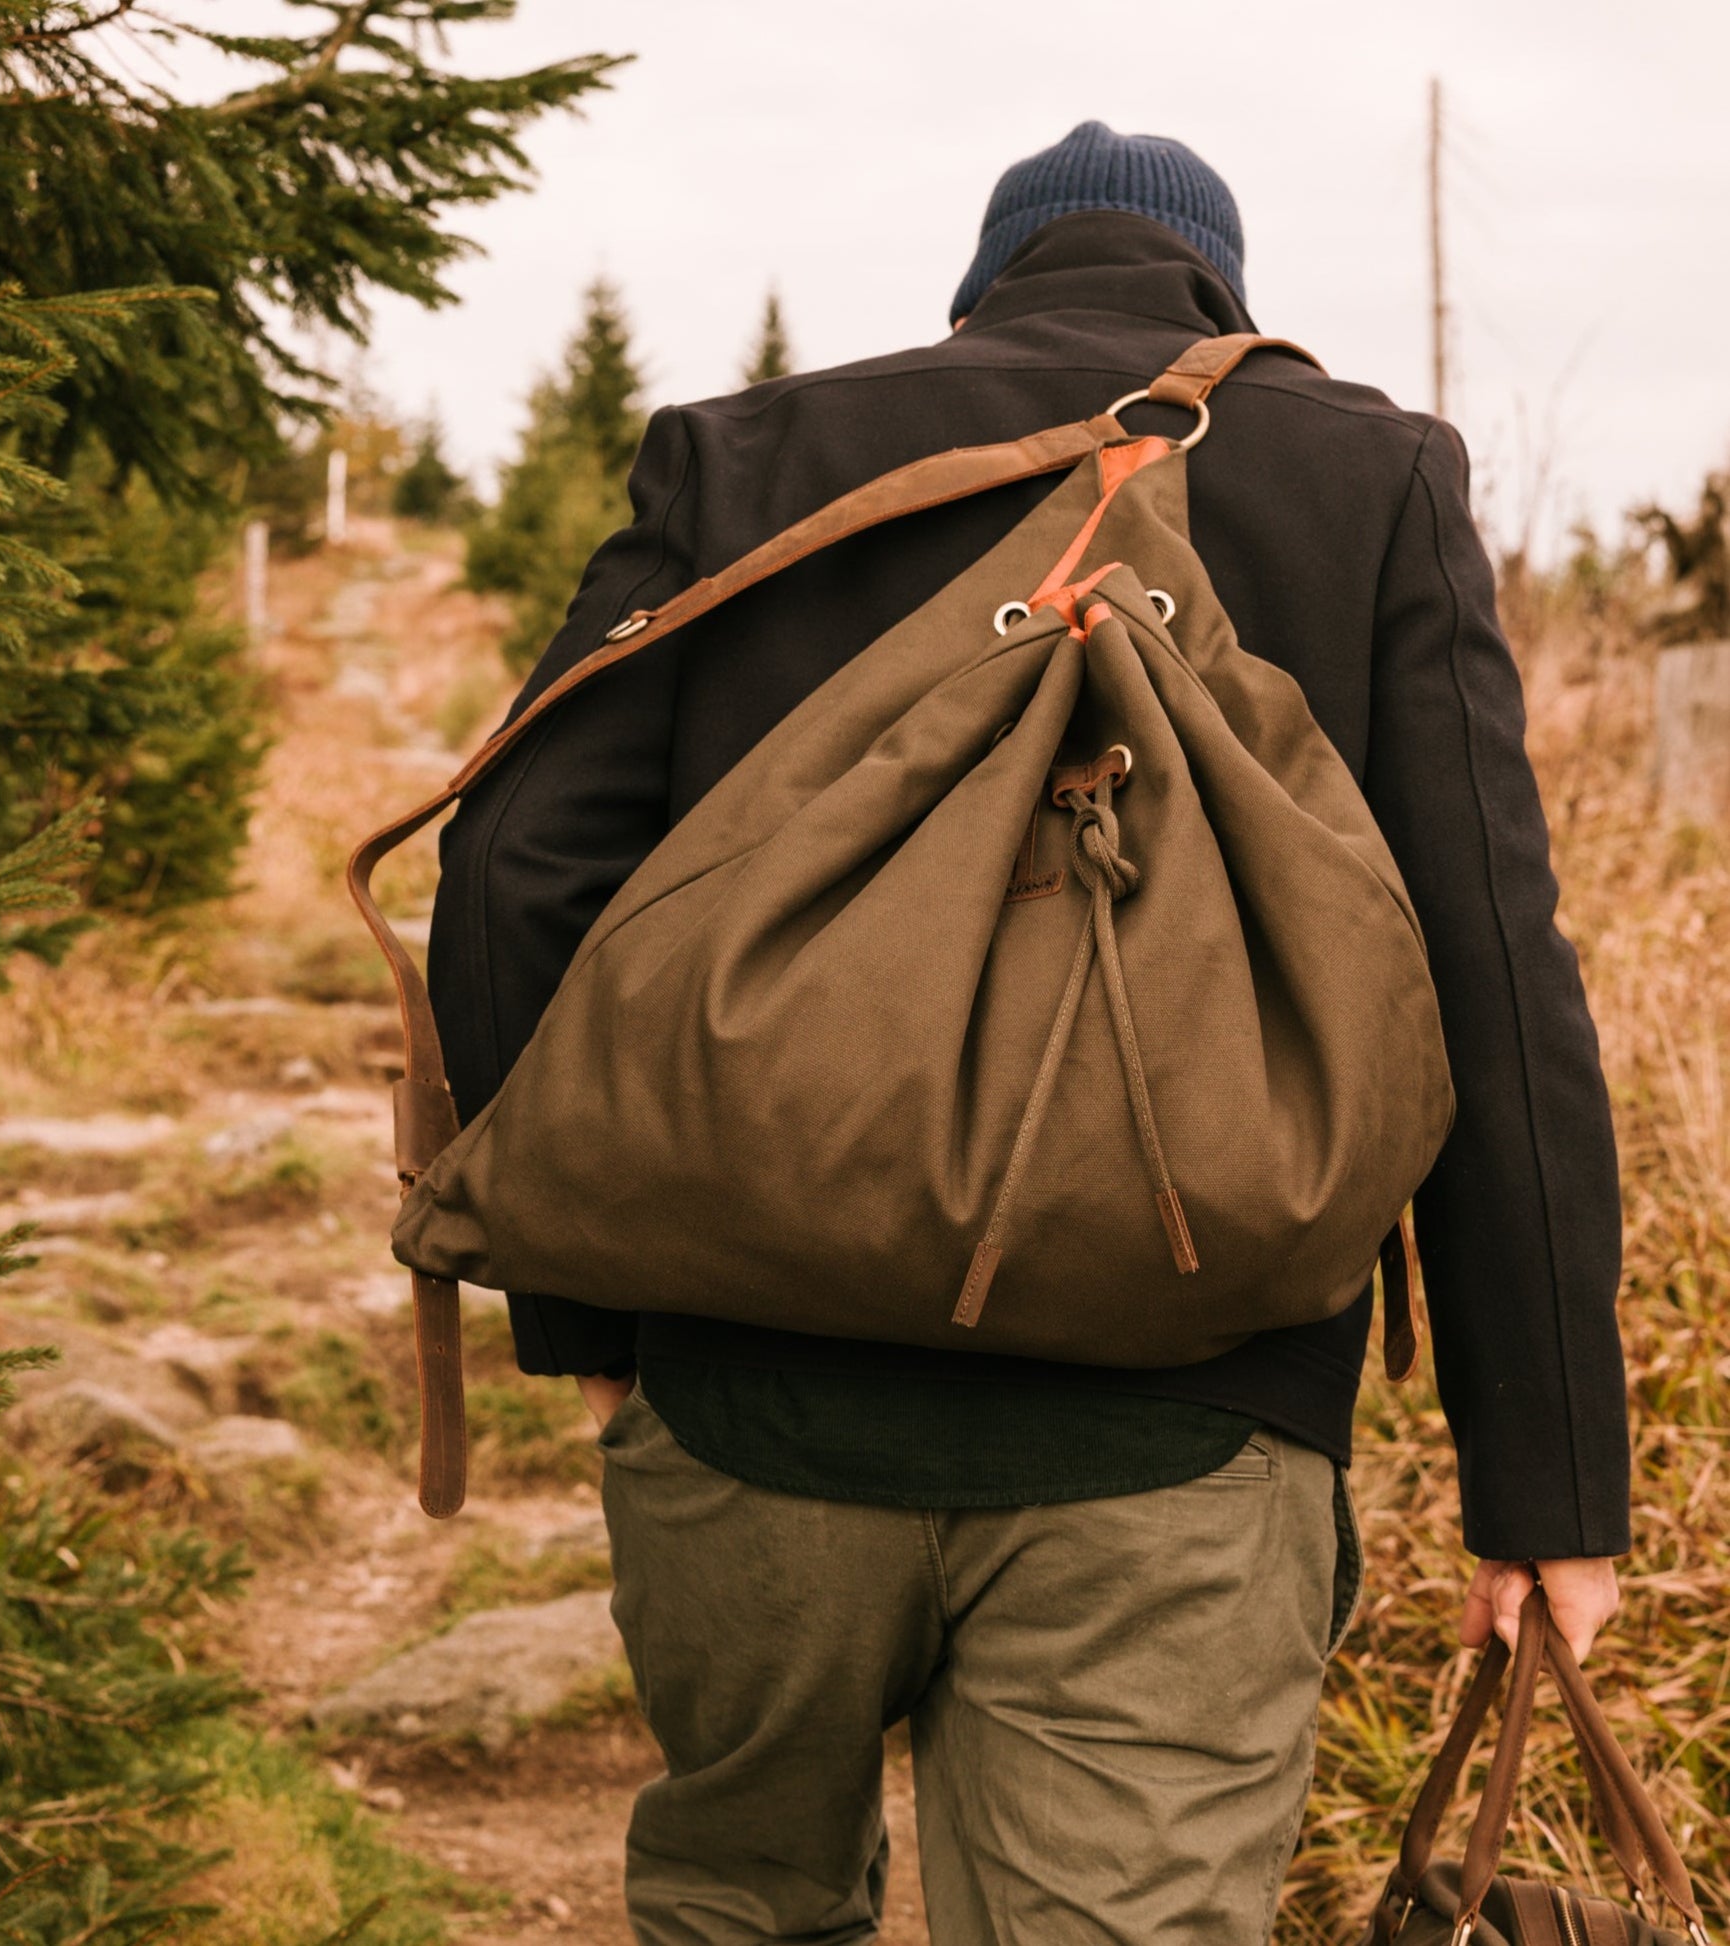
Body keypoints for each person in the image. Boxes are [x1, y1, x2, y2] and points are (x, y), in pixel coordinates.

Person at [426, 121, 1630, 1946]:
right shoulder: (1367, 475)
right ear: (1224, 296)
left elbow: (513, 863)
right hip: (1188, 1439)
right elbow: (1491, 986)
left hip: (749, 1402)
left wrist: (599, 1308)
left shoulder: (746, 457)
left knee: (738, 1905)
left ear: (981, 290)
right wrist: (1542, 1485)